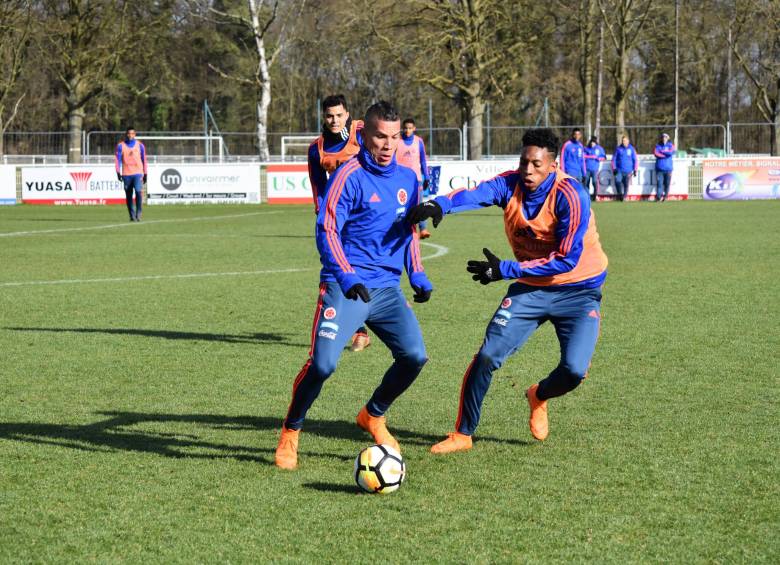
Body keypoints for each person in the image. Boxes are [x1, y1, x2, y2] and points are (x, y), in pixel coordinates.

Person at [407, 128, 608, 453]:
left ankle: (538, 395)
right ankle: (463, 434)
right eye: (524, 162)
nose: (528, 170)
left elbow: (566, 260)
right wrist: (439, 205)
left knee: (574, 372)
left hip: (579, 290)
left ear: (553, 165)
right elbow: (475, 194)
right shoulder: (510, 183)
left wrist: (505, 269)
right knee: (487, 355)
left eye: (537, 164)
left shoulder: (571, 195)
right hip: (530, 287)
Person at [275, 101, 434, 470]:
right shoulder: (348, 175)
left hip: (386, 288)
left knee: (415, 357)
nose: (388, 144)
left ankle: (373, 414)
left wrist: (417, 273)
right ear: (364, 136)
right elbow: (327, 229)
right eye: (380, 136)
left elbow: (409, 229)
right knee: (323, 365)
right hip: (345, 284)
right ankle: (291, 431)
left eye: (394, 137)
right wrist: (346, 275)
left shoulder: (408, 179)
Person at [307, 94, 371, 352]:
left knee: (369, 265)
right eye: (329, 116)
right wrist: (323, 216)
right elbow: (319, 187)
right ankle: (360, 330)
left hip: (369, 211)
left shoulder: (362, 132)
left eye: (339, 115)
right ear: (323, 117)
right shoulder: (317, 148)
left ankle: (389, 304)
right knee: (341, 268)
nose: (334, 120)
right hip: (340, 217)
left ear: (347, 114)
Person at [395, 118, 431, 238]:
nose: (407, 130)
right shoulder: (397, 141)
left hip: (416, 180)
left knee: (418, 204)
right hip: (400, 179)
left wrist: (426, 177)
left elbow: (423, 160)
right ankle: (401, 229)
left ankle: (423, 229)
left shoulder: (418, 141)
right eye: (405, 128)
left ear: (414, 128)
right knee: (400, 205)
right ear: (402, 128)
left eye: (410, 128)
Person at [115, 127, 147, 221]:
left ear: (135, 134)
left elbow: (144, 160)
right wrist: (118, 172)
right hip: (126, 174)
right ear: (126, 134)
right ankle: (132, 215)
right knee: (129, 195)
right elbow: (117, 160)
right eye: (129, 133)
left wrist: (145, 173)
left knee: (138, 191)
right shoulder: (120, 146)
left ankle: (139, 213)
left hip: (138, 173)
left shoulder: (140, 145)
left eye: (132, 133)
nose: (130, 135)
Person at [611, 135, 637, 202]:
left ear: (628, 141)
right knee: (617, 181)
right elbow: (614, 159)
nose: (624, 142)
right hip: (619, 170)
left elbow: (635, 160)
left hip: (628, 170)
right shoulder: (618, 149)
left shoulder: (631, 149)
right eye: (623, 141)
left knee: (626, 184)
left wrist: (635, 169)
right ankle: (620, 195)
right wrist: (614, 168)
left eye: (625, 141)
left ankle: (624, 197)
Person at [653, 132, 676, 202]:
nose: (664, 138)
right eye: (663, 137)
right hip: (659, 169)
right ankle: (658, 197)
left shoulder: (671, 145)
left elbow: (671, 152)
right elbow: (656, 153)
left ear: (668, 138)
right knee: (659, 184)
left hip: (668, 169)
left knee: (667, 184)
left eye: (665, 137)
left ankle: (665, 197)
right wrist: (665, 155)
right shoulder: (658, 145)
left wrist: (662, 151)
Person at [583, 136, 606, 201]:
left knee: (594, 182)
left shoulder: (599, 149)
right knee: (586, 182)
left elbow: (604, 157)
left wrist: (598, 158)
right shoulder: (586, 148)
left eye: (594, 142)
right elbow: (582, 156)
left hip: (595, 169)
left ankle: (595, 195)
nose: (592, 144)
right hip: (587, 169)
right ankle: (587, 196)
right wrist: (590, 156)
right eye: (591, 142)